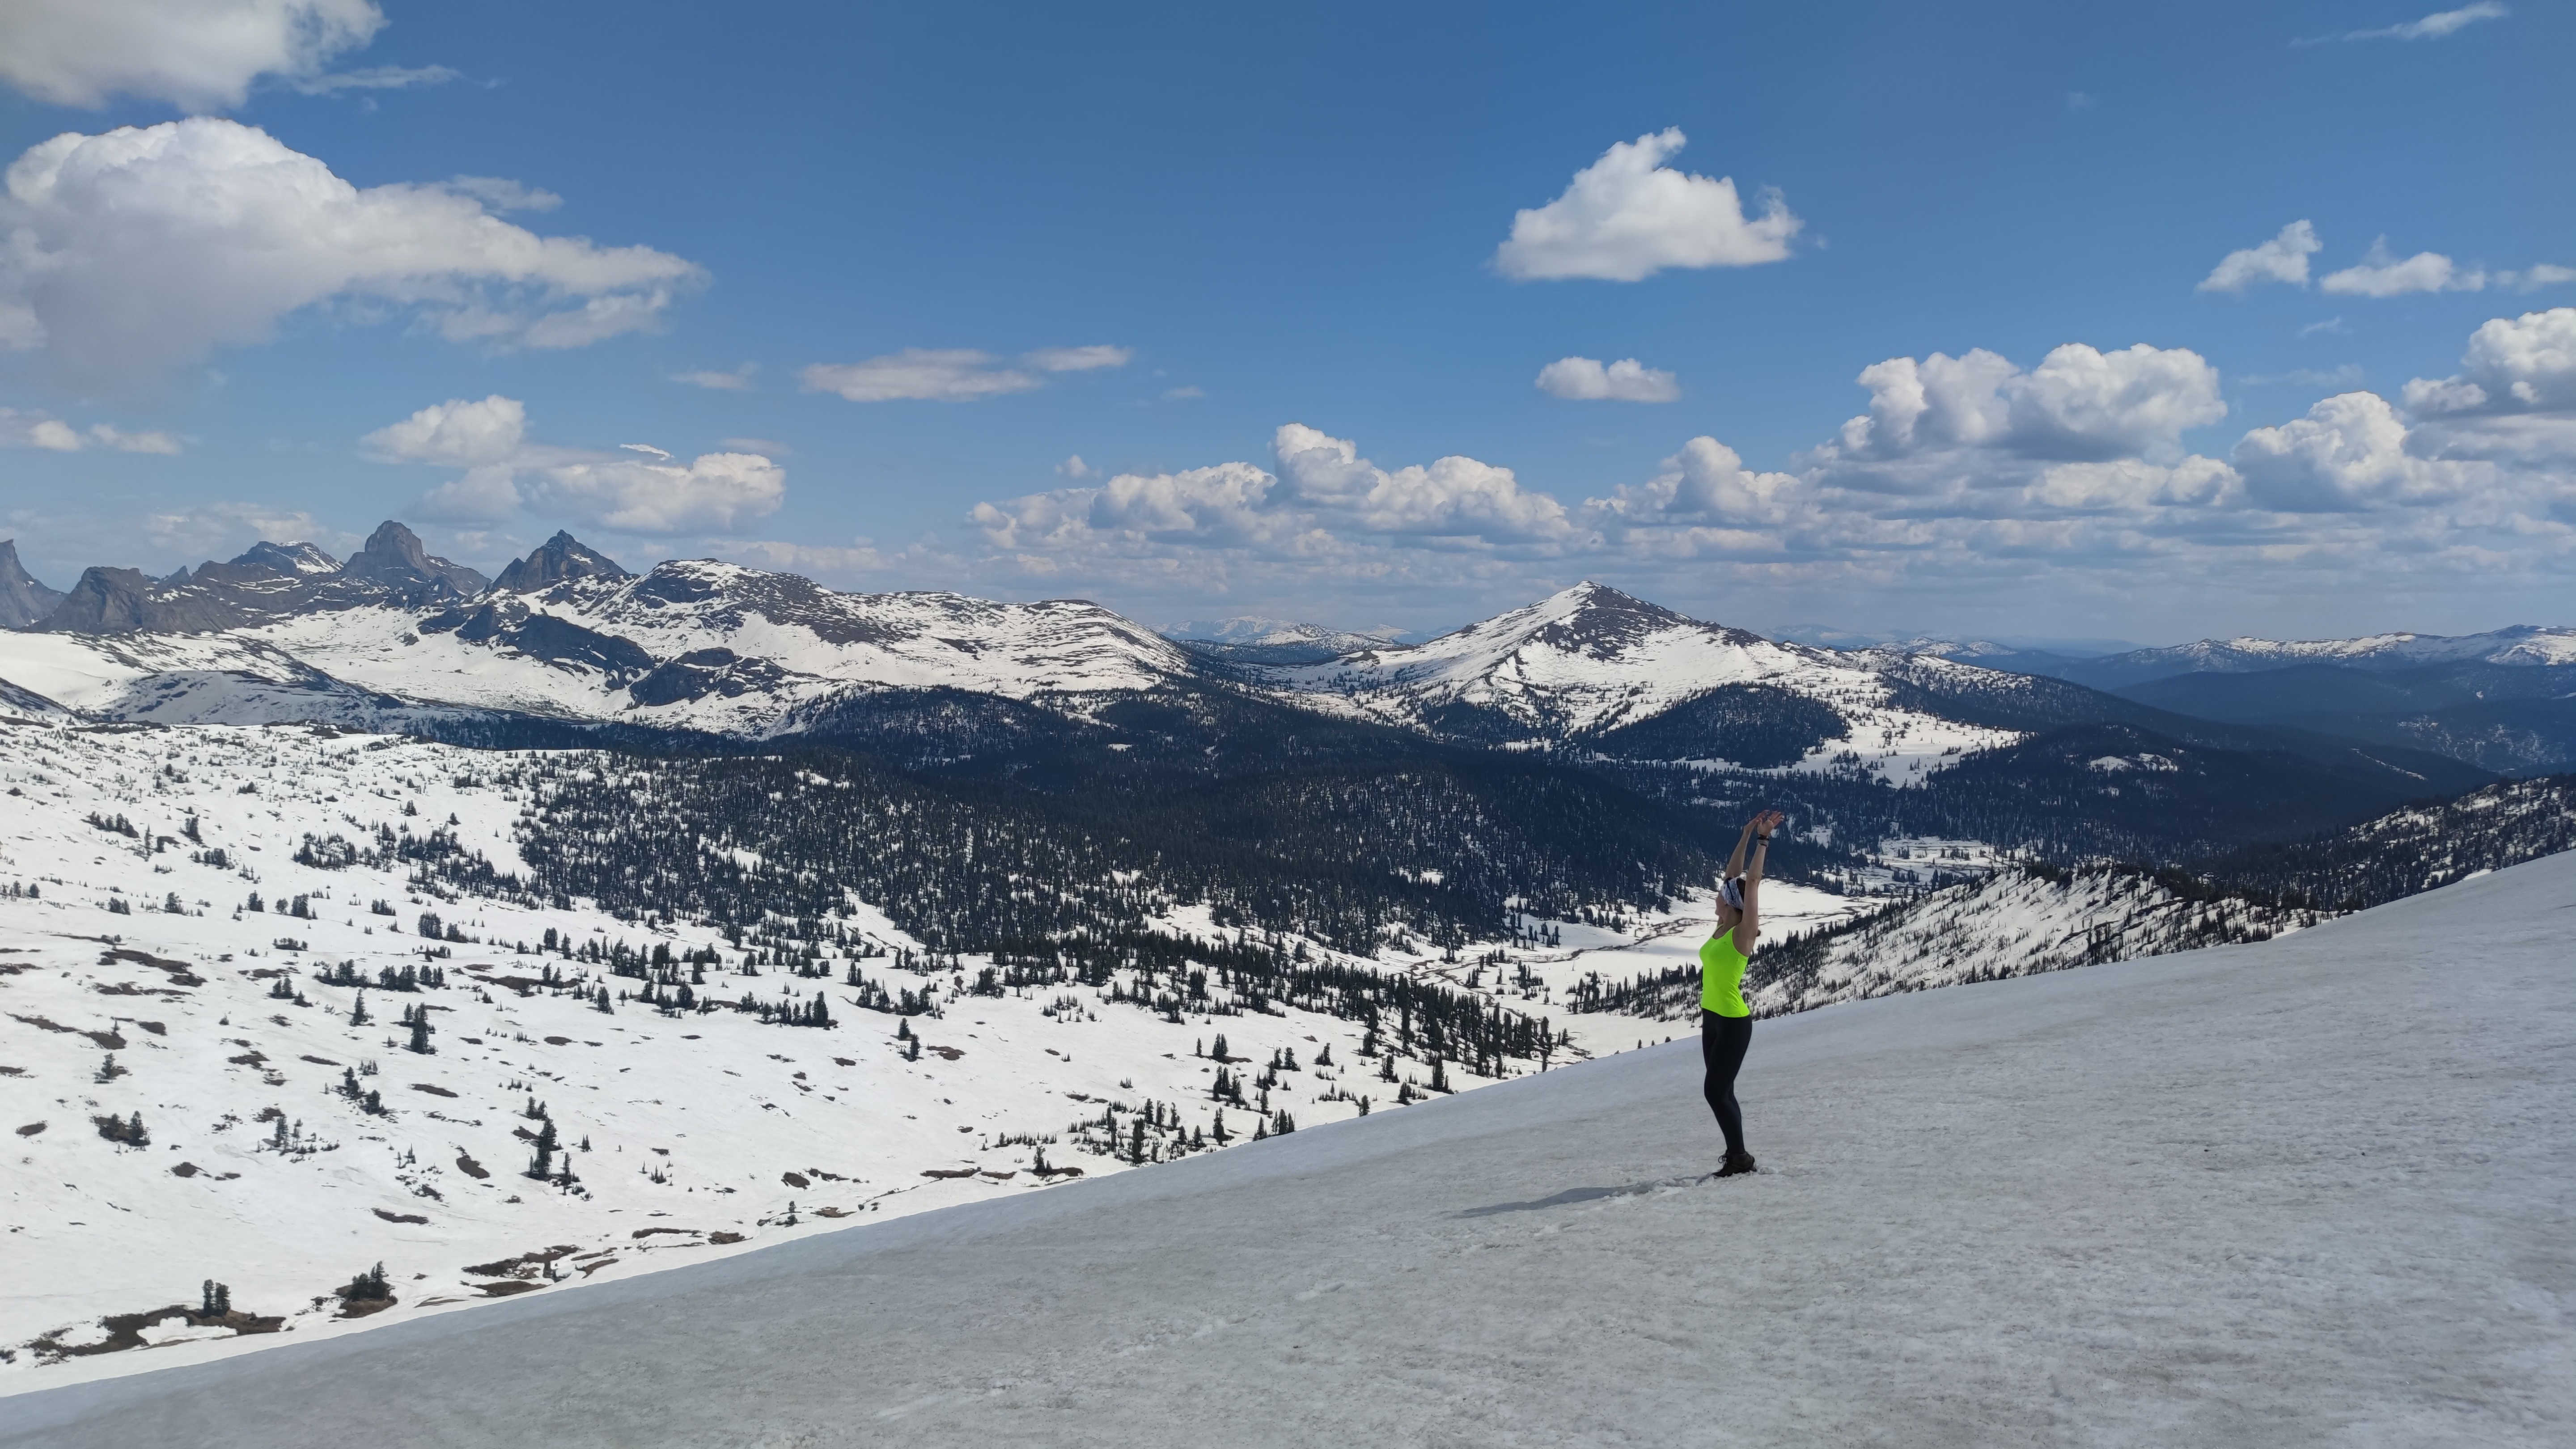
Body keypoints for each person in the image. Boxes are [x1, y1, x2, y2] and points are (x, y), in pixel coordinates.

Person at [1702, 809, 1781, 1178]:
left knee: (1715, 1092)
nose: (1715, 900)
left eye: (1720, 897)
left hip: (1734, 1023)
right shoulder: (1722, 925)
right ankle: (1736, 1155)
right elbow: (1733, 876)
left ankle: (1740, 1158)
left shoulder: (1742, 933)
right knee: (1723, 1091)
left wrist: (1764, 841)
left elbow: (1752, 881)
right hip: (1712, 1019)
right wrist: (1746, 834)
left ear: (1732, 904)